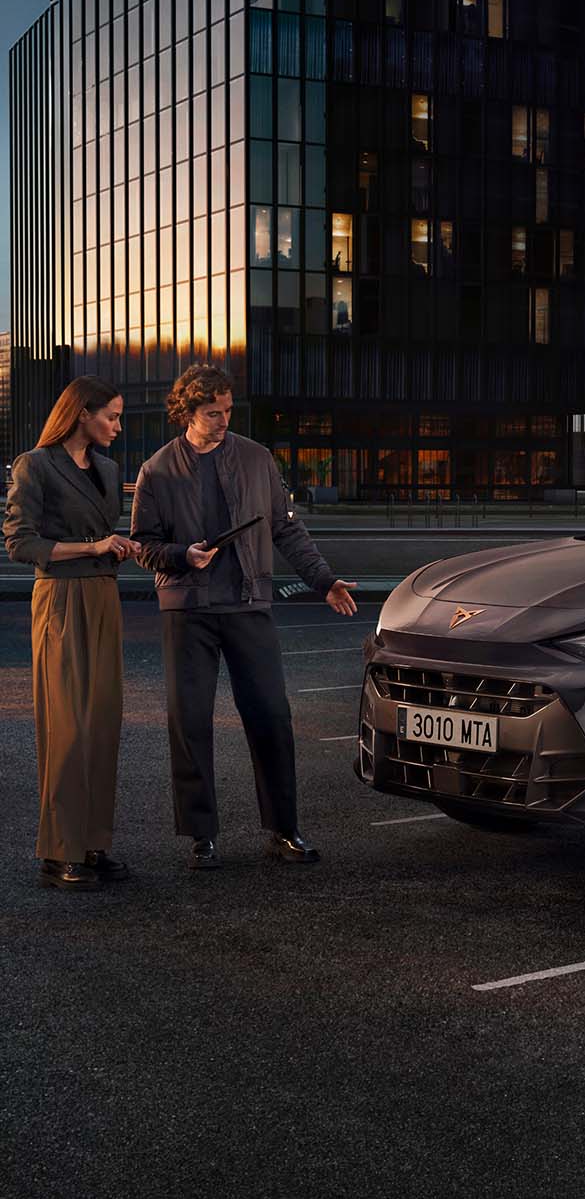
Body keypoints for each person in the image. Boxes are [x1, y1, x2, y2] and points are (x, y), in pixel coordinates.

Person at [131, 363, 357, 870]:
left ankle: (284, 829)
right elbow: (143, 546)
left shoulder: (256, 459)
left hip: (248, 604)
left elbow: (286, 529)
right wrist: (182, 555)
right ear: (187, 412)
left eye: (228, 411)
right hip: (188, 610)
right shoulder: (157, 470)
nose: (224, 421)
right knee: (190, 722)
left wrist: (324, 581)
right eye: (213, 413)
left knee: (271, 715)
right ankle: (201, 835)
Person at [3, 378, 136, 890]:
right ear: (82, 413)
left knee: (102, 724)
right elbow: (20, 543)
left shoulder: (108, 469)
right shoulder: (35, 465)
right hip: (60, 598)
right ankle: (58, 851)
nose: (118, 427)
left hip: (104, 595)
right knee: (67, 726)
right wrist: (92, 547)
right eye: (111, 417)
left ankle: (92, 844)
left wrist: (118, 547)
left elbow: (104, 537)